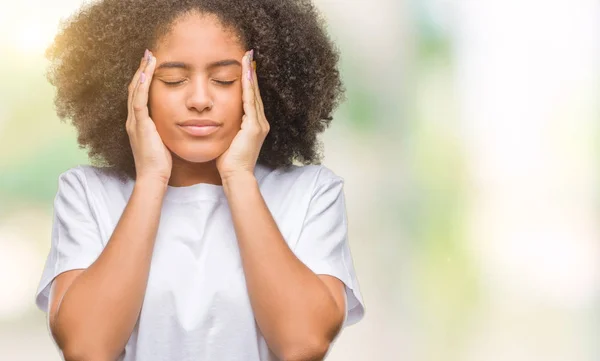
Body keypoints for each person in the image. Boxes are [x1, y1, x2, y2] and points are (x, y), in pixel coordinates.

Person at [34, 0, 365, 360]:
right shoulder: (87, 193)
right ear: (133, 88)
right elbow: (86, 349)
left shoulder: (310, 193)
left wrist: (238, 176)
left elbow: (303, 344)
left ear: (261, 86)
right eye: (173, 80)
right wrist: (151, 179)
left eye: (224, 80)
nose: (200, 100)